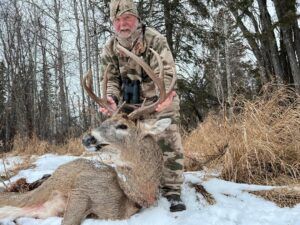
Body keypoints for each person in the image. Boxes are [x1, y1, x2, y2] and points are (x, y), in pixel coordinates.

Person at [99, 0, 186, 212]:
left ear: (137, 19)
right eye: (117, 20)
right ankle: (137, 181)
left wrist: (165, 94)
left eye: (127, 18)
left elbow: (166, 71)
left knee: (165, 131)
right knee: (117, 136)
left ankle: (172, 189)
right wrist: (110, 98)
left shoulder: (155, 40)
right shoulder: (110, 48)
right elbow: (110, 80)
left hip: (157, 101)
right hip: (129, 106)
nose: (122, 24)